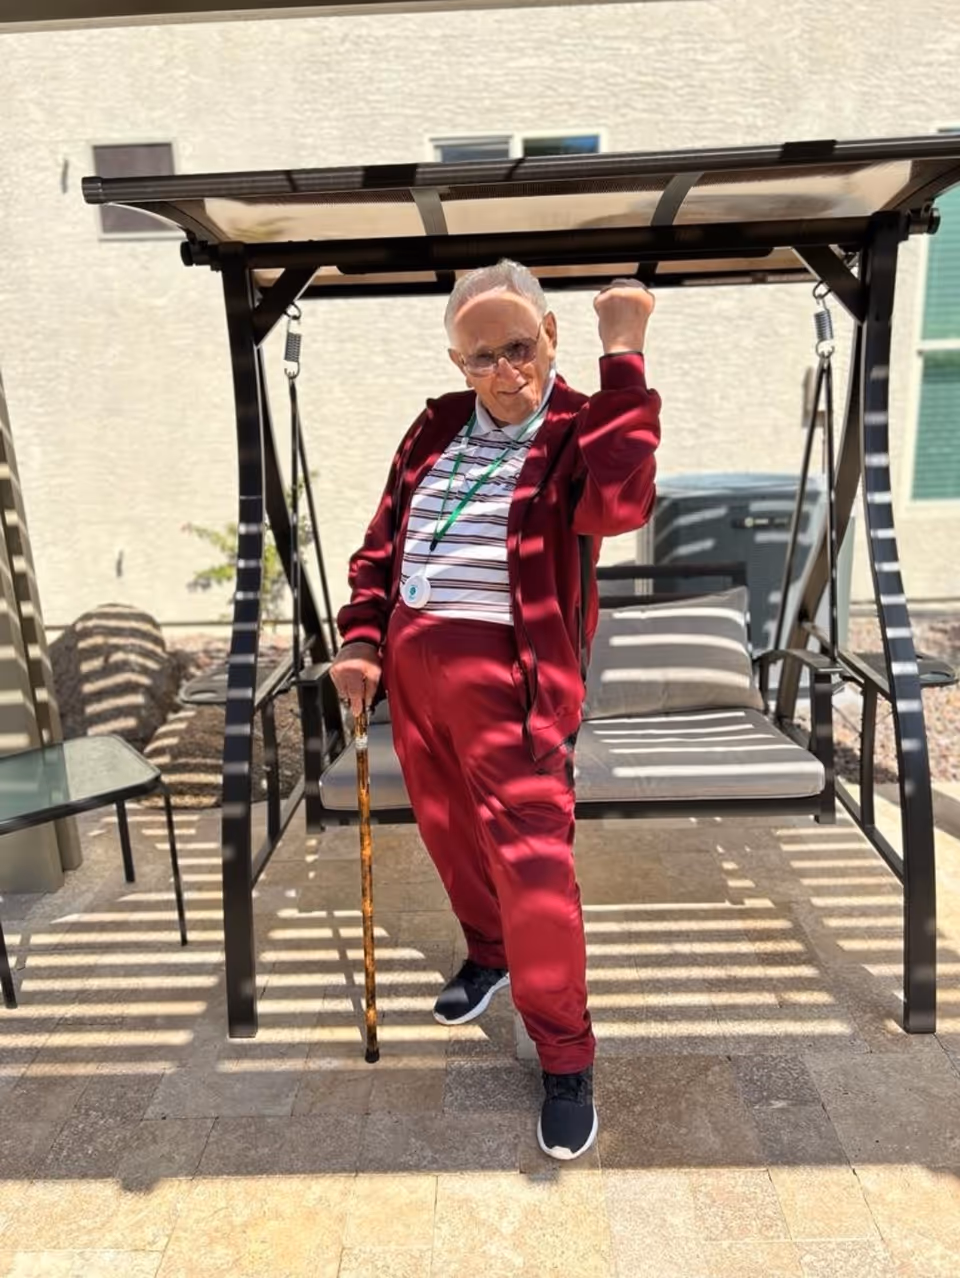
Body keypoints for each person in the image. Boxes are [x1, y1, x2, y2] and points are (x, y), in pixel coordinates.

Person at [331, 259, 660, 1160]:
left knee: (535, 874)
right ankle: (487, 952)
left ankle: (564, 1054)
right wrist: (363, 640)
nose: (504, 372)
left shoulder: (582, 427)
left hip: (511, 687)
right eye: (481, 358)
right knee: (447, 835)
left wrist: (624, 353)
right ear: (454, 361)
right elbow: (382, 544)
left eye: (519, 347)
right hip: (416, 678)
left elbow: (624, 503)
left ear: (550, 336)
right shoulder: (435, 425)